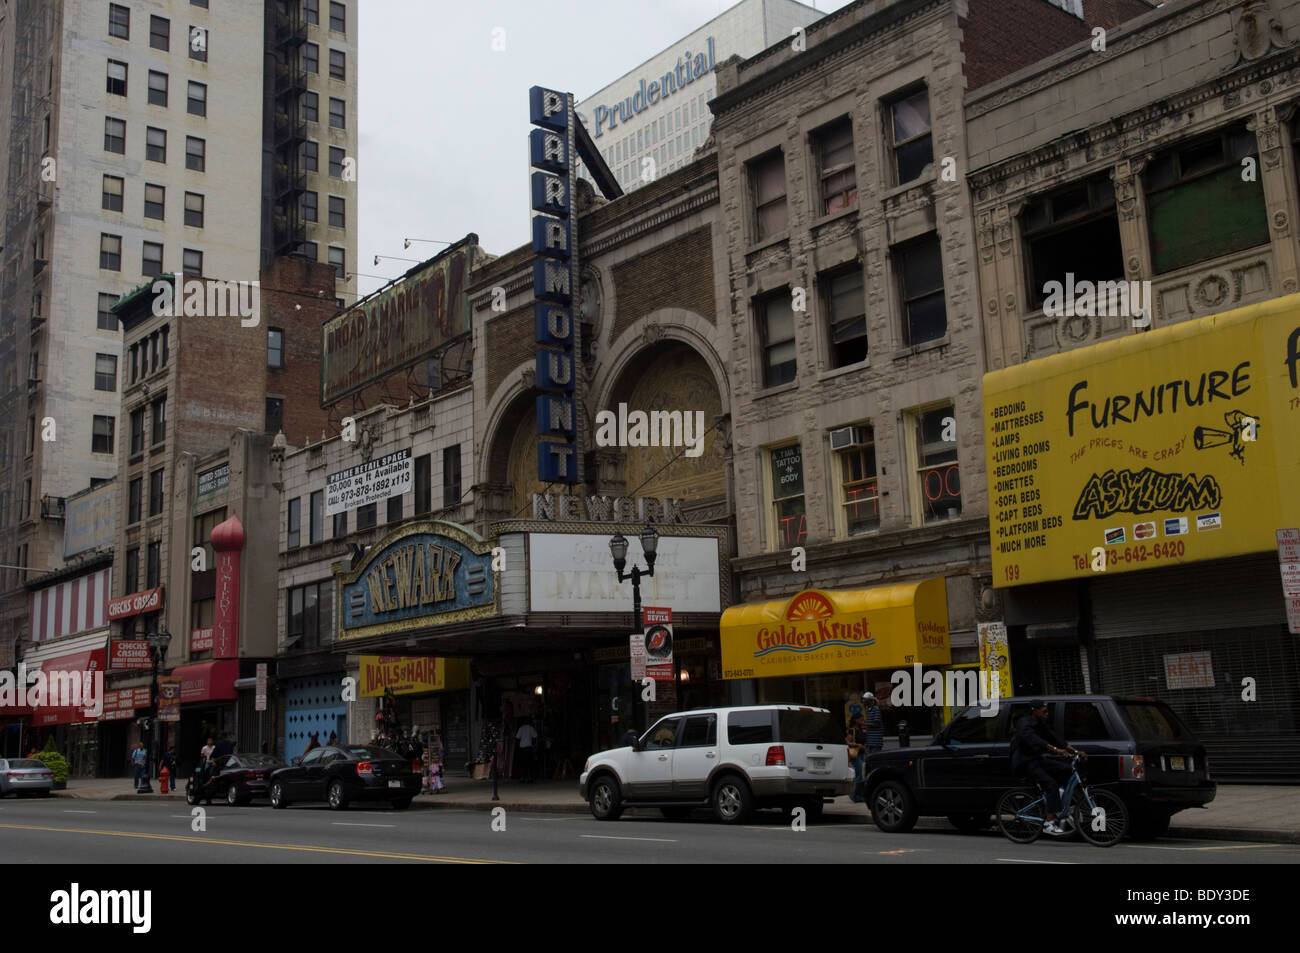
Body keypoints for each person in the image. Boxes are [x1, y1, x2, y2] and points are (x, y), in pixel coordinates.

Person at [1011, 699, 1084, 835]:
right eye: (1044, 711)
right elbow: (1033, 739)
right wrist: (1056, 750)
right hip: (1025, 762)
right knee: (1051, 784)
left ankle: (1055, 799)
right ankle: (1048, 823)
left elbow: (1054, 737)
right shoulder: (1024, 722)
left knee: (1066, 769)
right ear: (1035, 711)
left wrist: (1074, 751)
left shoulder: (1040, 723)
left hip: (1037, 759)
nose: (1047, 714)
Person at [846, 713, 867, 802]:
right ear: (856, 720)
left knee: (863, 775)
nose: (863, 722)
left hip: (862, 754)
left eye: (863, 720)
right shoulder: (852, 730)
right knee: (859, 775)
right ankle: (855, 796)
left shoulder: (861, 730)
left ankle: (859, 795)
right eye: (861, 720)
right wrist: (857, 745)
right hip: (856, 754)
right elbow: (847, 742)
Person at [515, 717, 538, 783]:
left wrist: (518, 747)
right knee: (530, 764)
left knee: (522, 764)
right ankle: (530, 778)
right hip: (529, 747)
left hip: (522, 748)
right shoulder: (531, 728)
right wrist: (534, 745)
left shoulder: (521, 728)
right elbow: (535, 737)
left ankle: (522, 778)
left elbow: (517, 738)